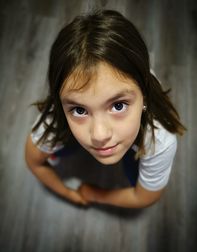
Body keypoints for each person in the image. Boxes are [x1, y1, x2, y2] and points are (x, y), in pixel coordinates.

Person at [25, 9, 186, 208]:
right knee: (61, 136)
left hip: (140, 139)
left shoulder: (159, 139)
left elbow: (145, 197)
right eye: (79, 110)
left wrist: (95, 194)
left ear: (144, 95)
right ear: (60, 101)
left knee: (134, 167)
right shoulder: (54, 118)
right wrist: (69, 193)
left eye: (118, 105)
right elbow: (34, 161)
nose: (99, 135)